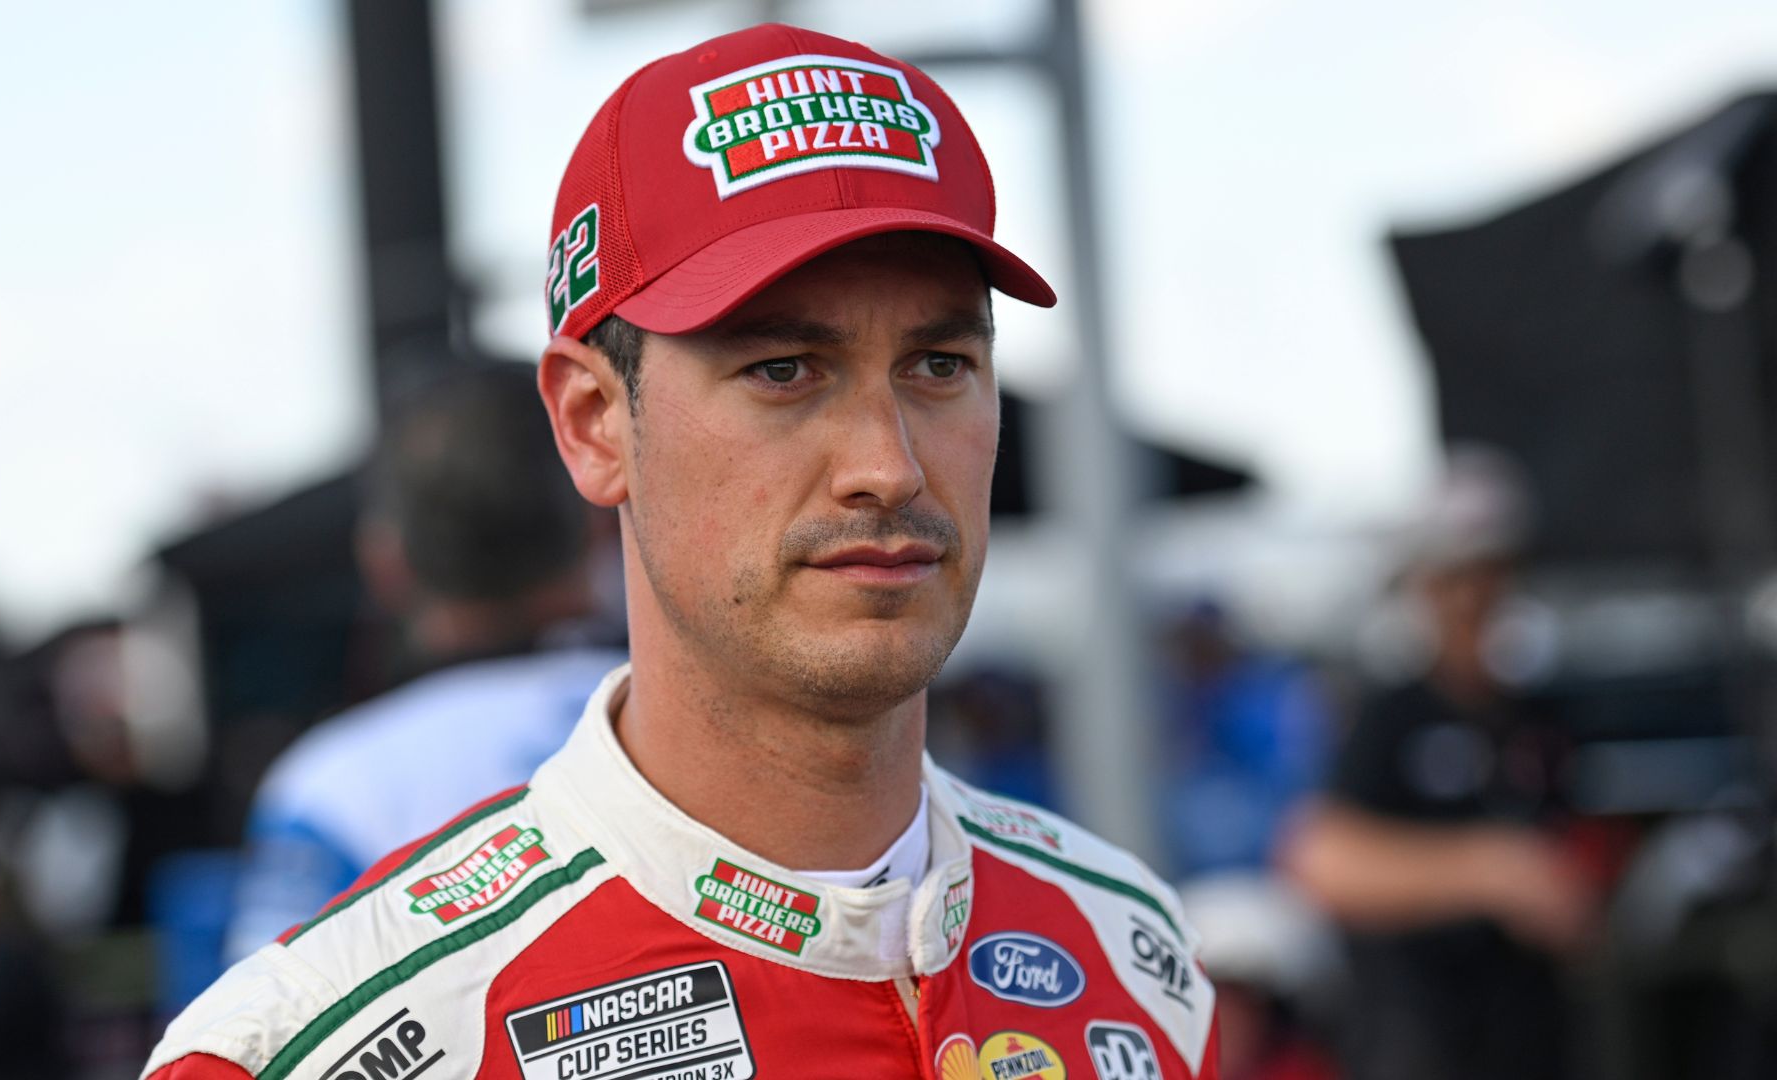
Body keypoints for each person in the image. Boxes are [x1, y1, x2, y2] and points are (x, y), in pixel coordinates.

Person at [141, 24, 1217, 1080]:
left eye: (937, 364)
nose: (887, 468)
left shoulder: (1133, 956)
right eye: (785, 370)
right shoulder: (315, 1045)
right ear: (594, 423)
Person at [222, 362, 624, 960]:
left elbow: (264, 1038)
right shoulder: (705, 725)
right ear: (595, 531)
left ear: (384, 562)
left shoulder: (331, 788)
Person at [1279, 450, 1594, 1080]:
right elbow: (1319, 860)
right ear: (1422, 587)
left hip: (1531, 1041)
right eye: (1453, 578)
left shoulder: (1542, 718)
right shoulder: (1389, 715)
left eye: (1487, 574)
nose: (1472, 598)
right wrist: (1488, 869)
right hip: (1417, 1044)